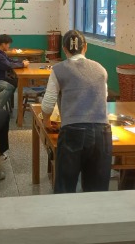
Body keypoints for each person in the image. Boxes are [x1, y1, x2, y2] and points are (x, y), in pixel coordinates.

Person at [41, 30, 112, 194]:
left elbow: (48, 104)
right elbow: (104, 97)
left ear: (64, 49)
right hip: (102, 132)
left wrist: (46, 121)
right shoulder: (101, 69)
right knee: (97, 191)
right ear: (85, 47)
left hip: (73, 131)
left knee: (65, 187)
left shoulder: (58, 69)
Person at [0, 34, 29, 111]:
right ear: (3, 44)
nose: (9, 46)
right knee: (9, 87)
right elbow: (8, 65)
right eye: (8, 44)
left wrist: (21, 62)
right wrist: (23, 64)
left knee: (15, 82)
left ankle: (8, 102)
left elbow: (9, 61)